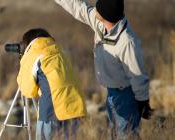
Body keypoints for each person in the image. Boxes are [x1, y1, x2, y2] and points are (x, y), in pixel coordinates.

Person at [52, 0, 152, 139]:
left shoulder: (127, 42)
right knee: (113, 134)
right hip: (111, 92)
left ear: (106, 15)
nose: (95, 10)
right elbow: (79, 8)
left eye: (98, 9)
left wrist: (143, 101)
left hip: (126, 95)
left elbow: (138, 75)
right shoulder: (100, 21)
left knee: (125, 135)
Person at [17, 28, 87, 140]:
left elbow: (27, 91)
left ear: (28, 43)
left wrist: (23, 63)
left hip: (51, 112)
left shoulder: (34, 53)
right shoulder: (59, 51)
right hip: (75, 109)